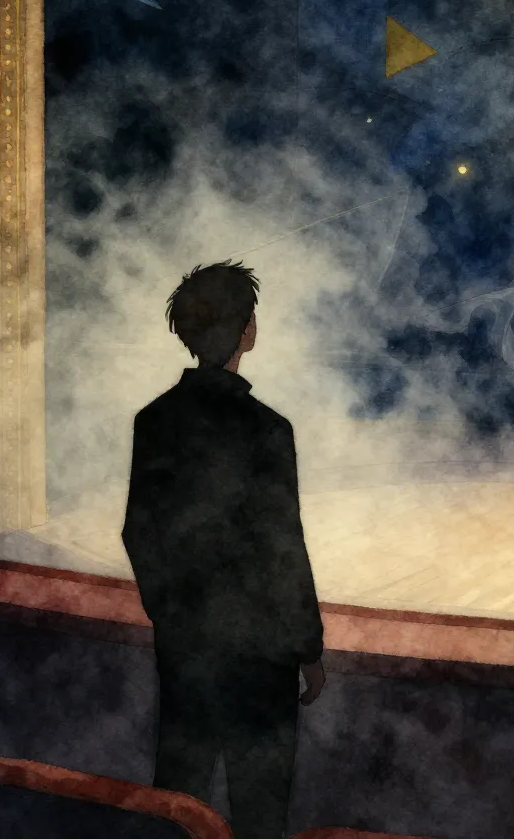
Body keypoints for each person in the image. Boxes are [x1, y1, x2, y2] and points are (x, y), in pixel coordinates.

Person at [121, 262, 324, 835]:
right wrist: (308, 648)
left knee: (177, 802)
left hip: (185, 647)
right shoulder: (268, 429)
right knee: (260, 808)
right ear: (247, 330)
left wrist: (171, 613)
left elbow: (138, 531)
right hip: (262, 656)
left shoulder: (154, 420)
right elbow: (283, 547)